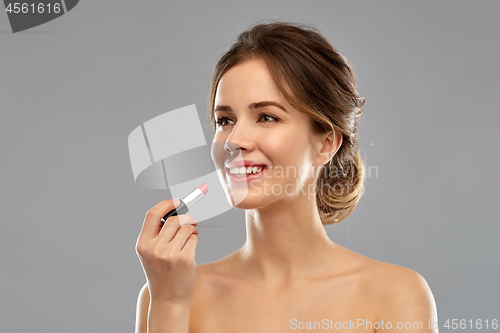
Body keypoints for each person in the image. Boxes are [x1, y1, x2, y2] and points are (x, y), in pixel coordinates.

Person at [135, 21, 439, 333]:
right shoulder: (166, 294)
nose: (233, 139)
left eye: (266, 117)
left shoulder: (395, 297)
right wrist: (169, 305)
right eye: (225, 120)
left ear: (326, 143)